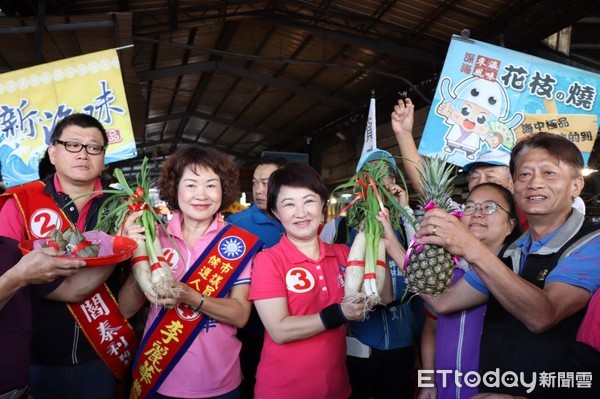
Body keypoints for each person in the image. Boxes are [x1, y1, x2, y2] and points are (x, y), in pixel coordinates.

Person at [416, 132, 600, 398]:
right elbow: (444, 302)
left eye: (549, 173)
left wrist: (470, 247)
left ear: (576, 186)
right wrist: (401, 249)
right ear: (514, 186)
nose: (535, 183)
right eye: (524, 175)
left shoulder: (591, 244)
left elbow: (543, 315)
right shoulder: (511, 251)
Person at [0, 113, 133, 399]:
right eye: (73, 145)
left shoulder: (123, 207)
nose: (84, 154)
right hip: (32, 357)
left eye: (93, 147)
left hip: (101, 353)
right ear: (53, 152)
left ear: (103, 157)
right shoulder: (20, 203)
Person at [119, 146, 263, 399]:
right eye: (191, 184)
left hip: (220, 382)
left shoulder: (236, 243)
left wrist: (191, 296)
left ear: (224, 190)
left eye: (211, 185)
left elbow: (240, 315)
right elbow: (127, 309)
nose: (201, 195)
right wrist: (139, 259)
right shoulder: (156, 237)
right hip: (159, 376)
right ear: (175, 189)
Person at [249, 161, 368, 399]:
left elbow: (382, 297)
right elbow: (279, 330)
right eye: (289, 204)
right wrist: (339, 313)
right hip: (283, 391)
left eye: (309, 201)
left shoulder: (344, 254)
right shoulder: (268, 261)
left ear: (323, 204)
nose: (301, 212)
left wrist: (374, 238)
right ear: (276, 212)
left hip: (336, 387)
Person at [321, 149, 420, 399]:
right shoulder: (338, 228)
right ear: (359, 183)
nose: (379, 180)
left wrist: (405, 210)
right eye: (370, 173)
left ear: (395, 182)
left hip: (405, 341)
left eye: (387, 174)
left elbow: (424, 260)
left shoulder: (410, 224)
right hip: (356, 342)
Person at [414, 183, 519, 399]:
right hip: (444, 391)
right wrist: (427, 382)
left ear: (510, 225)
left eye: (490, 207)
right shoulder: (445, 269)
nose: (477, 213)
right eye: (470, 207)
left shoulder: (513, 275)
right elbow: (430, 329)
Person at [0, 238, 122, 398]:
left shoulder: (11, 248)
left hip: (21, 390)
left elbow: (73, 290)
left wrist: (115, 248)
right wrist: (18, 277)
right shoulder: (20, 269)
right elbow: (21, 275)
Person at [226, 155, 286, 399]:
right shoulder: (235, 225)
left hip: (295, 328)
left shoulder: (300, 221)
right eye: (255, 183)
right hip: (251, 332)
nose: (259, 190)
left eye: (267, 183)